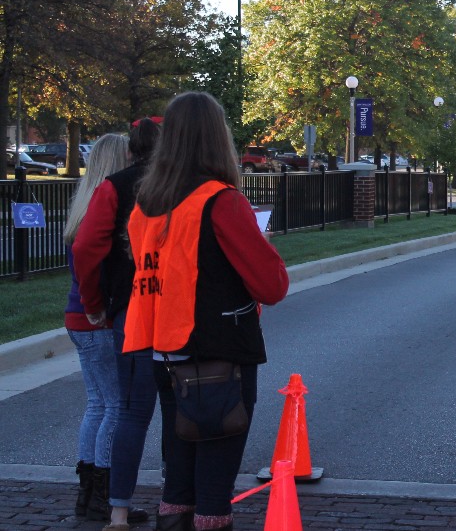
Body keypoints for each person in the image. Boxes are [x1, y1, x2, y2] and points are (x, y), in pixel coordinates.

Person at [122, 92, 289, 531]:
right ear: (218, 139)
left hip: (162, 350)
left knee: (178, 479)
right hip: (217, 354)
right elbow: (271, 286)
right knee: (214, 490)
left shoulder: (146, 205)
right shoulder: (222, 201)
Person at [74, 120, 161, 530]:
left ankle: (98, 501)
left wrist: (93, 304)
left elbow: (85, 248)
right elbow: (88, 250)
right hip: (120, 313)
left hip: (100, 312)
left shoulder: (98, 194)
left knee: (106, 406)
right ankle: (112, 501)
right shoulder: (126, 191)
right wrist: (97, 306)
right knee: (119, 408)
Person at [63, 134, 130, 521]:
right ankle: (106, 493)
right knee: (116, 406)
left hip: (78, 318)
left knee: (98, 403)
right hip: (96, 318)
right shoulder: (104, 208)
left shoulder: (82, 207)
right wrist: (97, 307)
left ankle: (88, 494)